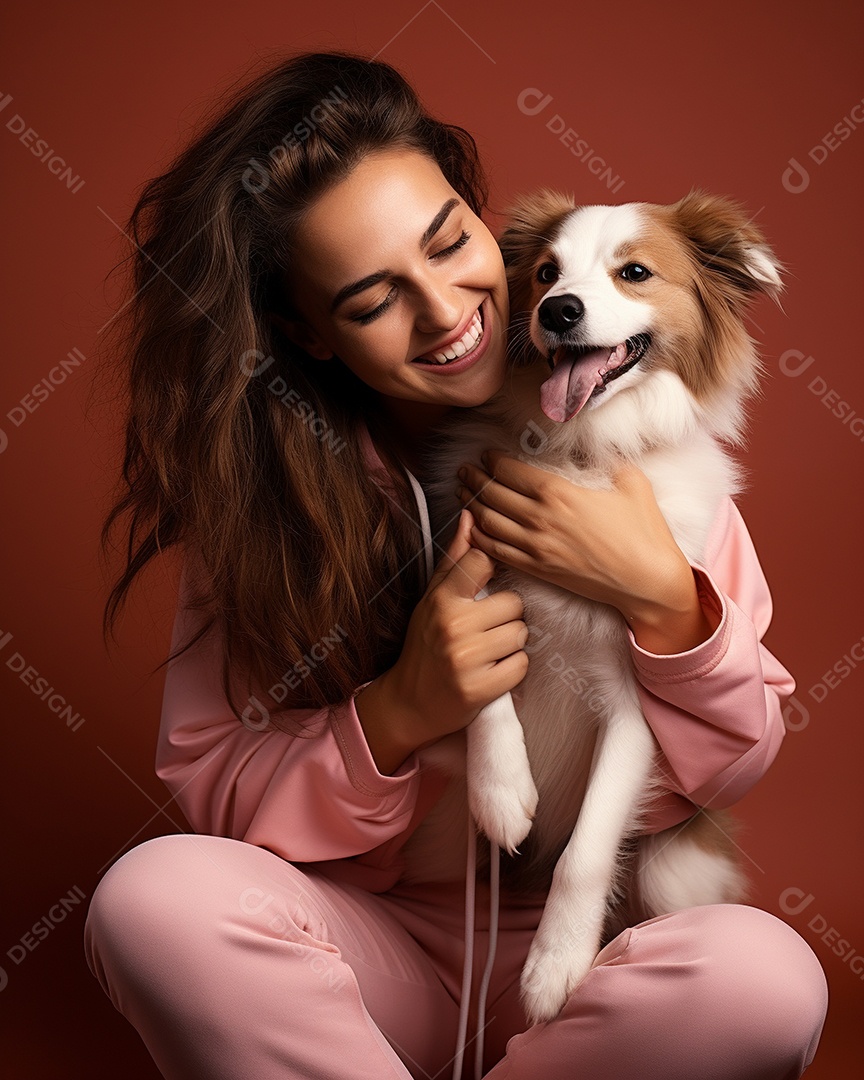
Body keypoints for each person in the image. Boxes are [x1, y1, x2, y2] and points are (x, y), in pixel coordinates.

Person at [84, 49, 828, 1080]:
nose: (444, 311)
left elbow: (734, 759)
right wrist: (400, 710)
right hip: (364, 962)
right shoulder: (266, 509)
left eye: (448, 243)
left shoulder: (645, 451)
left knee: (765, 978)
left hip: (599, 966)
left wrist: (666, 602)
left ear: (486, 223)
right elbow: (218, 797)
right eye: (371, 299)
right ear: (309, 332)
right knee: (154, 899)